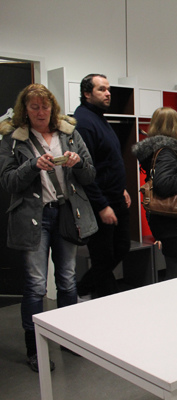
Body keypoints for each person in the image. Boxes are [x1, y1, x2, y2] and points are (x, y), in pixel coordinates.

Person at [0, 83, 97, 372]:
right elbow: (8, 182)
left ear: (52, 109)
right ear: (25, 111)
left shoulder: (69, 134)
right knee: (36, 285)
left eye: (45, 106)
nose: (41, 111)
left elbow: (90, 175)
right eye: (34, 106)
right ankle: (35, 349)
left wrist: (78, 163)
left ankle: (69, 339)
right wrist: (32, 166)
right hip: (34, 218)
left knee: (67, 279)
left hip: (66, 213)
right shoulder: (13, 140)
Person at [74, 74, 131, 299]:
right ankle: (95, 297)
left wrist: (122, 188)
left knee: (121, 248)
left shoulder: (99, 118)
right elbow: (84, 171)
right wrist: (102, 206)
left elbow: (110, 161)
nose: (108, 93)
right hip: (100, 202)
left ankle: (85, 289)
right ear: (87, 93)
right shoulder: (84, 122)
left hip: (115, 196)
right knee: (103, 257)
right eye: (101, 89)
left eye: (108, 89)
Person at [132, 107, 177, 279]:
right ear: (172, 126)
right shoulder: (166, 153)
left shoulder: (161, 152)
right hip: (175, 226)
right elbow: (163, 184)